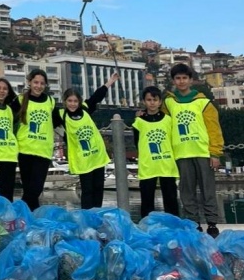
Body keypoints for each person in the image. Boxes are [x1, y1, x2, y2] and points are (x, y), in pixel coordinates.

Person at [163, 63, 224, 237]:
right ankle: (193, 222)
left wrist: (215, 153)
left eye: (184, 78)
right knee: (186, 191)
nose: (181, 81)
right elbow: (161, 124)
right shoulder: (168, 103)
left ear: (191, 80)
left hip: (202, 153)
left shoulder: (204, 103)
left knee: (208, 190)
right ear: (173, 80)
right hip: (181, 154)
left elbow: (214, 130)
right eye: (177, 78)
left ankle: (212, 223)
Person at [52, 72, 120, 209]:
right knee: (87, 190)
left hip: (97, 155)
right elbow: (46, 120)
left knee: (98, 188)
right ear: (65, 101)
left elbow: (96, 97)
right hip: (82, 159)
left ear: (79, 101)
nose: (72, 104)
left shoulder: (85, 108)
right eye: (69, 101)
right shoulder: (61, 114)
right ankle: (87, 217)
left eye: (75, 101)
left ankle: (97, 216)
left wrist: (110, 82)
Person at [133, 86, 179, 218]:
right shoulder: (138, 122)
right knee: (147, 202)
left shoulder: (168, 120)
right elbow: (137, 143)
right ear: (144, 102)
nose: (152, 102)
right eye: (149, 99)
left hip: (167, 165)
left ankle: (173, 227)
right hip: (148, 166)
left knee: (171, 199)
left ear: (160, 102)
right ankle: (147, 228)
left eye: (155, 99)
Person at [14, 69, 55, 210]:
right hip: (25, 150)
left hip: (43, 151)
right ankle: (32, 222)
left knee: (35, 189)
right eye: (36, 82)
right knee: (30, 191)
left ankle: (17, 213)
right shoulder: (19, 100)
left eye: (42, 83)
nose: (38, 86)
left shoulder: (50, 101)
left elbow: (58, 122)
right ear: (29, 82)